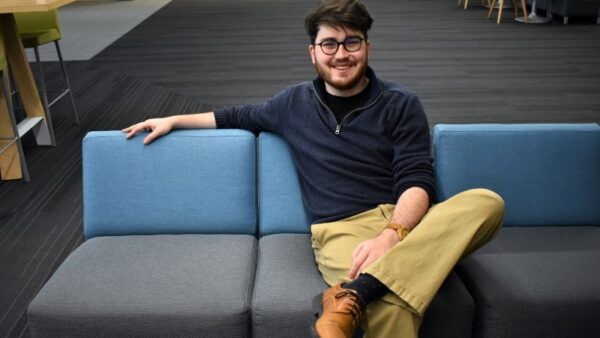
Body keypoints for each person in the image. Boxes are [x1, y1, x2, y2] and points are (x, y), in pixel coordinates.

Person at [123, 1, 505, 337]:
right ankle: (368, 292)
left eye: (352, 42)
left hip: (407, 222)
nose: (341, 54)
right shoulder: (292, 103)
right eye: (329, 44)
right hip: (342, 229)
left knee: (486, 202)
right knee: (391, 305)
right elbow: (233, 115)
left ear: (367, 47)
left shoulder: (400, 103)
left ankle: (354, 293)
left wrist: (392, 234)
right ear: (313, 53)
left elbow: (417, 178)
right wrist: (173, 118)